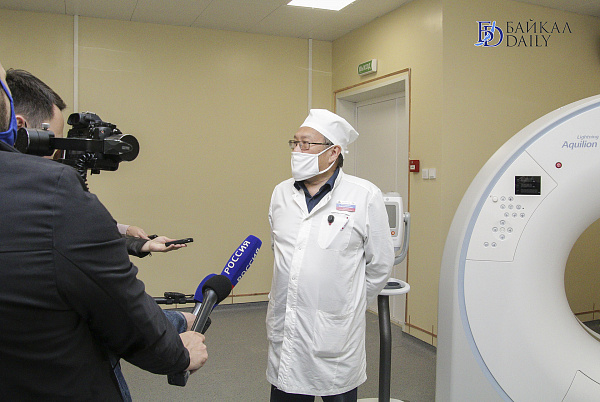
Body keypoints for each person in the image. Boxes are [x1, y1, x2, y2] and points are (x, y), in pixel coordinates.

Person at [0, 62, 207, 400]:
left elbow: (48, 243)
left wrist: (135, 242)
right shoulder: (54, 192)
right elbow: (122, 314)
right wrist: (178, 353)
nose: (59, 154)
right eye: (53, 142)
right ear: (20, 127)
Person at [266, 109, 395, 401]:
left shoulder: (364, 195)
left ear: (333, 152)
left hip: (334, 334)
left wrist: (348, 300)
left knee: (337, 392)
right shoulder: (281, 194)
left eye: (306, 144)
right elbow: (283, 253)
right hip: (286, 327)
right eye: (294, 142)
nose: (297, 150)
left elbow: (380, 264)